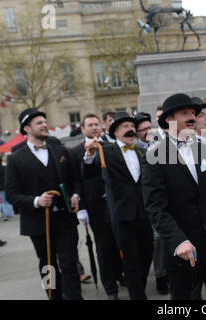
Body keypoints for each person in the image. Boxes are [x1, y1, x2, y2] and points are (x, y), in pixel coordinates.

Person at [142, 93, 206, 300]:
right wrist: (179, 241)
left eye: (193, 113)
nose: (191, 117)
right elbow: (155, 208)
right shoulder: (155, 156)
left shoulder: (202, 148)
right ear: (169, 119)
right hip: (183, 250)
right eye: (184, 113)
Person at [6, 108, 83, 300]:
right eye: (39, 123)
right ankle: (54, 296)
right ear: (27, 129)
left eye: (45, 121)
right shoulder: (15, 159)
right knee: (48, 264)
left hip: (65, 217)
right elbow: (11, 194)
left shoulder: (60, 150)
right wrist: (35, 201)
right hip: (38, 222)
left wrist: (75, 195)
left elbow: (76, 180)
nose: (45, 125)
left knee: (68, 261)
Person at [84, 112, 154, 300]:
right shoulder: (105, 151)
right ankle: (137, 295)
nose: (130, 129)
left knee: (147, 254)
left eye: (132, 126)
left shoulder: (141, 151)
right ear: (114, 132)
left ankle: (138, 287)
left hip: (144, 213)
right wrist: (89, 154)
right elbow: (90, 173)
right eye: (124, 126)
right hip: (122, 215)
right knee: (130, 260)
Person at [69, 113, 123, 300]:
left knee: (119, 241)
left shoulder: (111, 147)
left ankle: (120, 274)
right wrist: (81, 206)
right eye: (89, 125)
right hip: (95, 206)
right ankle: (110, 288)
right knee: (103, 246)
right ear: (82, 129)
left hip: (115, 203)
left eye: (96, 124)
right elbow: (76, 180)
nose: (94, 127)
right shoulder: (75, 152)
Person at [134, 111, 169, 295]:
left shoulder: (160, 144)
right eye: (143, 129)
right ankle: (159, 276)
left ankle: (164, 274)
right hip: (143, 204)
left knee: (162, 239)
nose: (148, 131)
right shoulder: (134, 149)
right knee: (155, 241)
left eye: (150, 127)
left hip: (162, 199)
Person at [0, 155, 15, 221]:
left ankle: (5, 214)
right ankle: (9, 214)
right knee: (7, 200)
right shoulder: (4, 168)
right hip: (5, 186)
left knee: (3, 201)